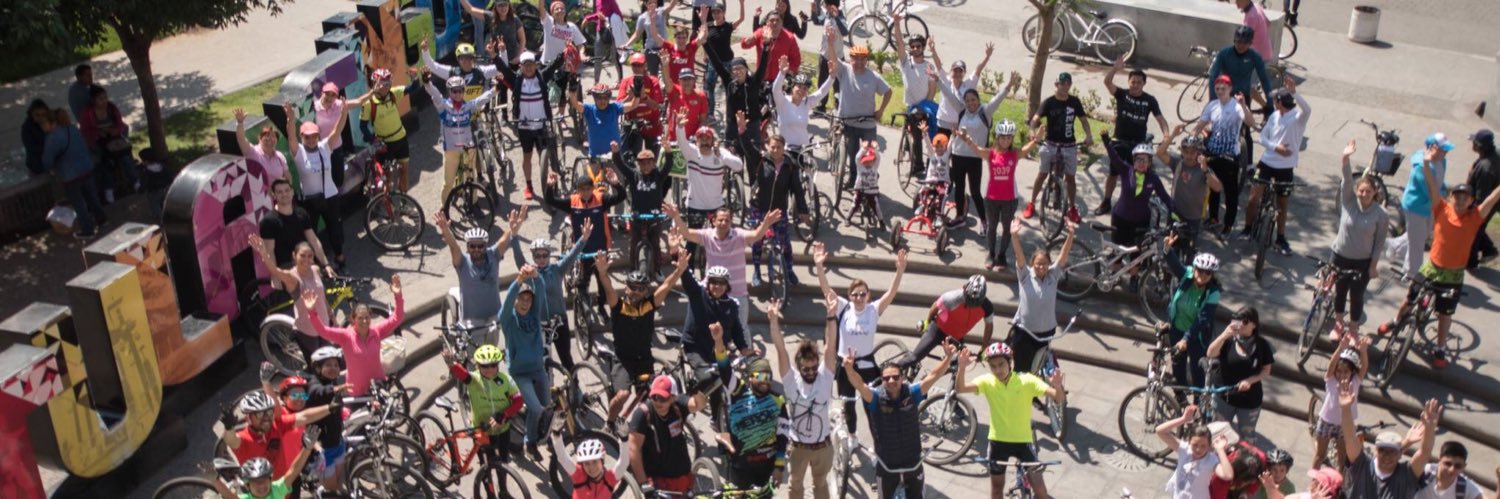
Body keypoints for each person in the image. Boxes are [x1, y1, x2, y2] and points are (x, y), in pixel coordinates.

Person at [1382, 148, 1500, 368]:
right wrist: (1426, 164)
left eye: (1466, 198)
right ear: (1452, 197)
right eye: (1458, 196)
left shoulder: (1475, 218)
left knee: (1445, 313)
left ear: (1472, 201)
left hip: (1453, 274)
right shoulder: (1442, 209)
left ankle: (1440, 347)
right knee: (1410, 297)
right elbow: (1432, 186)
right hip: (1433, 267)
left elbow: (1493, 199)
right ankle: (1396, 321)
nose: (1461, 200)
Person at [814, 241, 906, 433]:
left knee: (872, 405)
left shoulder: (873, 310)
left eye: (862, 294)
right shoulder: (843, 307)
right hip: (845, 365)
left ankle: (879, 441)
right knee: (848, 406)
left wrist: (900, 271)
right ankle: (852, 436)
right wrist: (819, 266)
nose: (859, 297)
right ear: (849, 295)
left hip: (866, 367)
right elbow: (826, 290)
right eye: (855, 294)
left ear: (868, 295)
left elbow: (891, 293)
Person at [844, 343, 955, 498]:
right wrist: (849, 369)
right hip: (887, 466)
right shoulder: (875, 397)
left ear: (902, 377)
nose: (891, 380)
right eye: (886, 378)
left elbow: (933, 376)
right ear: (882, 380)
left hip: (914, 463)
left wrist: (948, 357)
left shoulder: (912, 393)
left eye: (895, 377)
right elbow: (859, 385)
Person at [956, 342, 1065, 499]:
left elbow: (1058, 398)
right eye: (993, 366)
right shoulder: (987, 381)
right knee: (996, 489)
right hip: (997, 442)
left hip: (1024, 442)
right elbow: (961, 389)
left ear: (1010, 362)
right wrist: (962, 368)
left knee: (1041, 491)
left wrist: (1058, 386)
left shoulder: (1027, 381)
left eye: (1001, 364)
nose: (998, 370)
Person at [598, 249, 692, 422]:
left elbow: (666, 286)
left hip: (644, 359)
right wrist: (603, 273)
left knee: (653, 397)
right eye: (633, 287)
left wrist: (679, 270)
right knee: (623, 395)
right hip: (623, 360)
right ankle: (610, 423)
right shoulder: (618, 307)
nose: (636, 292)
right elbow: (609, 290)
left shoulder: (648, 305)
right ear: (626, 287)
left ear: (645, 291)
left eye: (641, 289)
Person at [670, 204, 782, 332]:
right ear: (713, 221)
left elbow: (756, 235)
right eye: (720, 220)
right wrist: (676, 216)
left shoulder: (739, 235)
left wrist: (766, 223)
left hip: (736, 294)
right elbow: (687, 233)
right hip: (711, 292)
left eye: (727, 220)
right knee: (705, 328)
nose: (723, 223)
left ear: (731, 222)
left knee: (741, 330)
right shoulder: (707, 235)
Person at [768, 296, 837, 499]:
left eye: (814, 367)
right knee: (795, 486)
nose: (810, 371)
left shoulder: (824, 378)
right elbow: (781, 349)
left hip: (823, 447)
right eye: (806, 368)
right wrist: (773, 321)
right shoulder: (791, 380)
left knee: (821, 485)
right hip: (798, 447)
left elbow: (830, 346)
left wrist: (831, 316)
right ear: (799, 366)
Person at [297, 275, 403, 397]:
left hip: (379, 385)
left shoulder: (376, 331)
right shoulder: (346, 336)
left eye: (367, 317)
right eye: (360, 318)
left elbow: (397, 318)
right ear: (353, 319)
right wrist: (312, 311)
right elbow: (322, 330)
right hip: (357, 391)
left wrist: (398, 296)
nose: (364, 321)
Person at [1238, 77, 1310, 255]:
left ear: (1280, 101)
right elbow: (1263, 138)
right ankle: (1247, 228)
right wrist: (1275, 147)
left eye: (1275, 99)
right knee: (1254, 197)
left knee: (1282, 204)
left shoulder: (1298, 118)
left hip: (1286, 168)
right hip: (1267, 162)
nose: (1273, 102)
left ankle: (1281, 237)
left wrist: (1294, 92)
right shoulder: (1274, 117)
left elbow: (1307, 109)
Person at [939, 64, 1017, 227]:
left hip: (975, 157)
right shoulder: (961, 110)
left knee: (975, 192)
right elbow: (947, 93)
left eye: (973, 100)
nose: (970, 103)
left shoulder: (985, 112)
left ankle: (984, 221)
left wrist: (1008, 86)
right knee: (959, 189)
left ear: (978, 100)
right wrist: (937, 79)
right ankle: (960, 217)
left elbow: (998, 99)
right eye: (967, 101)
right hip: (958, 155)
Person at [955, 120, 1039, 270]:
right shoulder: (991, 153)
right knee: (992, 227)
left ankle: (1001, 256)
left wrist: (1036, 139)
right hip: (991, 198)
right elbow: (977, 149)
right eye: (1003, 137)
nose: (1006, 141)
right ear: (997, 138)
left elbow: (1026, 150)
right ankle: (991, 253)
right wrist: (966, 139)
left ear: (1012, 139)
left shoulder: (1014, 154)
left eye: (1009, 138)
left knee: (1007, 229)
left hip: (1010, 199)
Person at [1336, 380, 1440, 498]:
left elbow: (1425, 452)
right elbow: (1350, 438)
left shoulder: (1406, 476)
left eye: (1392, 452)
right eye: (1382, 451)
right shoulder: (1362, 465)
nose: (1387, 456)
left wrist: (1430, 431)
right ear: (1375, 451)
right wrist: (1345, 409)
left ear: (1400, 453)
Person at [544, 171, 627, 315]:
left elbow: (621, 196)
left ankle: (601, 307)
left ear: (593, 188)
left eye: (589, 188)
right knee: (583, 282)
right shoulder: (572, 201)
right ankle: (584, 306)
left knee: (602, 283)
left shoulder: (602, 199)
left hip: (600, 249)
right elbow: (551, 201)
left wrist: (616, 184)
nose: (586, 192)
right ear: (577, 190)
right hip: (581, 251)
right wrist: (550, 186)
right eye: (582, 189)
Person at [1097, 58, 1170, 216]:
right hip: (1119, 143)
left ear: (1143, 84)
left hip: (1138, 146)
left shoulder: (1149, 100)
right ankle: (1106, 201)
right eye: (1133, 81)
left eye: (1138, 82)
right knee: (1113, 174)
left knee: (1139, 176)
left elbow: (1161, 119)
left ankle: (1135, 204)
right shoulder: (1122, 94)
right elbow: (1107, 82)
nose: (1135, 84)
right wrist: (1115, 69)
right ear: (1128, 82)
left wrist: (1166, 135)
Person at [1329, 140, 1388, 339]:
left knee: (1356, 296)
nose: (1363, 194)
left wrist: (1373, 266)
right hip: (1340, 255)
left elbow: (1379, 242)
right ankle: (1338, 324)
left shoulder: (1381, 214)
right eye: (1361, 190)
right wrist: (1345, 158)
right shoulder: (1349, 202)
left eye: (1368, 192)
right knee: (1339, 292)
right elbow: (1346, 179)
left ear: (1375, 193)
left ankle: (1353, 329)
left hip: (1361, 262)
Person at [512, 224, 589, 373]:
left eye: (544, 255)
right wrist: (514, 236)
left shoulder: (557, 269)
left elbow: (572, 255)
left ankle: (576, 390)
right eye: (537, 256)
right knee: (541, 363)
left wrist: (583, 238)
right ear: (533, 257)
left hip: (559, 322)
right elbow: (518, 259)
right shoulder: (529, 273)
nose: (541, 259)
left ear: (549, 255)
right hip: (539, 325)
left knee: (566, 358)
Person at [821, 29, 892, 190]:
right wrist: (831, 43)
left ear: (866, 60)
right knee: (853, 156)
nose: (859, 62)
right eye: (856, 59)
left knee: (870, 156)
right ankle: (852, 180)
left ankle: (870, 181)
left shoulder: (873, 77)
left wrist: (880, 111)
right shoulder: (845, 71)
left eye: (862, 59)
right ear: (851, 58)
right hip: (848, 122)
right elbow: (833, 59)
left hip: (867, 123)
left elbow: (888, 92)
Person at [249, 234, 334, 368]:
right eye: (302, 255)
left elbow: (321, 296)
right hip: (308, 330)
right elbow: (275, 271)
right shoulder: (292, 278)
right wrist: (263, 253)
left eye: (310, 256)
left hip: (324, 325)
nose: (306, 259)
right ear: (294, 256)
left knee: (329, 360)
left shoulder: (316, 270)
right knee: (317, 366)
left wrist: (331, 314)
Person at [286, 99, 351, 270]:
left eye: (314, 135)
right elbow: (291, 136)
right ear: (303, 137)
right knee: (310, 234)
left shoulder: (324, 147)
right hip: (309, 201)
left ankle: (340, 258)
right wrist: (290, 119)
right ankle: (313, 266)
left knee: (334, 229)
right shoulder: (298, 152)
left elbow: (337, 130)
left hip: (330, 197)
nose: (312, 139)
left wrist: (343, 112)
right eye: (307, 136)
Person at [495, 47, 567, 201]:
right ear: (520, 67)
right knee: (527, 156)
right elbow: (505, 69)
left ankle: (549, 182)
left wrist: (564, 52)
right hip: (524, 127)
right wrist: (495, 55)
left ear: (535, 65)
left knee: (544, 155)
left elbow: (554, 64)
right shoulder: (517, 80)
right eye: (525, 65)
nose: (528, 68)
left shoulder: (541, 77)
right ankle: (529, 186)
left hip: (541, 125)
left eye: (531, 64)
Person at [1005, 220, 1076, 373]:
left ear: (1049, 264)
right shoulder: (1025, 275)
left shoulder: (1053, 276)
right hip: (1026, 332)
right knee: (1022, 369)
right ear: (1032, 264)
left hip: (1046, 333)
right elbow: (1019, 256)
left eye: (1044, 264)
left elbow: (1063, 256)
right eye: (1037, 264)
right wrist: (1014, 236)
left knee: (1041, 367)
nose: (1041, 267)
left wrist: (1070, 235)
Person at [1024, 72, 1094, 224]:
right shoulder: (1049, 102)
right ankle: (1032, 203)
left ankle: (1072, 208)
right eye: (1062, 83)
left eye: (1068, 83)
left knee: (1070, 178)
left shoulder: (1075, 102)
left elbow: (1083, 120)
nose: (1065, 86)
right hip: (1050, 144)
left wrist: (1089, 135)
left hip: (1069, 146)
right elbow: (1035, 118)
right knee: (1042, 174)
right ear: (1056, 85)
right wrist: (1032, 131)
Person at [499, 264, 552, 461]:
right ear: (515, 301)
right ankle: (529, 442)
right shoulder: (508, 320)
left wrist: (536, 276)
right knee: (536, 409)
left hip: (537, 369)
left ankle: (536, 434)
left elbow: (541, 289)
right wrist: (519, 281)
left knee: (546, 406)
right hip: (520, 372)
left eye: (528, 300)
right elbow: (506, 305)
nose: (525, 303)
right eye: (521, 299)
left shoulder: (534, 313)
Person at [436, 209, 522, 328]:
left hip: (494, 316)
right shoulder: (463, 262)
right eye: (472, 246)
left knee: (493, 347)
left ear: (485, 246)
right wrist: (445, 230)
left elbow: (503, 240)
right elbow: (454, 247)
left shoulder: (493, 255)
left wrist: (512, 229)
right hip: (471, 321)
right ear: (467, 247)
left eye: (480, 246)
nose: (476, 249)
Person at [1162, 233, 1223, 399]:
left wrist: (1186, 339)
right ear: (1195, 268)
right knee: (1178, 365)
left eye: (1207, 273)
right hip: (1177, 330)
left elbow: (1202, 319)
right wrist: (1168, 249)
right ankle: (1179, 396)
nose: (1202, 275)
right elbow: (1175, 266)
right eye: (1200, 270)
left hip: (1196, 337)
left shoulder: (1213, 293)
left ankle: (1197, 403)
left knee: (1197, 371)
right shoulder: (1187, 275)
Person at [419, 70, 496, 202]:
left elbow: (482, 99)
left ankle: (474, 203)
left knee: (472, 179)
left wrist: (495, 89)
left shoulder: (468, 106)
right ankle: (445, 210)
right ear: (449, 92)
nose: (458, 94)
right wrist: (427, 83)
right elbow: (436, 95)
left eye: (460, 90)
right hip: (451, 150)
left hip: (468, 148)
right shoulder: (443, 106)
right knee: (448, 183)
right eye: (454, 91)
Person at [628, 375, 710, 496]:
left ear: (673, 397)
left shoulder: (678, 405)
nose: (658, 402)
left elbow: (700, 404)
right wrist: (643, 483)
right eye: (654, 397)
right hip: (659, 479)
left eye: (662, 398)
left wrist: (696, 392)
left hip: (682, 472)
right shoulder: (642, 414)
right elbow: (633, 449)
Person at [673, 118, 745, 255]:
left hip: (716, 206)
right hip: (696, 206)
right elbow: (682, 142)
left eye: (708, 139)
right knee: (692, 244)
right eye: (701, 139)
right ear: (697, 141)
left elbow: (739, 166)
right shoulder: (692, 153)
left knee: (720, 242)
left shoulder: (721, 154)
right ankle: (688, 273)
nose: (705, 142)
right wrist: (680, 127)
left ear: (712, 142)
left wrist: (721, 156)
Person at [894, 275, 995, 371]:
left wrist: (984, 348)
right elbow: (935, 306)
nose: (971, 305)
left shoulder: (987, 307)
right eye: (968, 300)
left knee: (958, 364)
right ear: (965, 290)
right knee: (914, 358)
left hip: (956, 337)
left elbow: (989, 327)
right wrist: (927, 322)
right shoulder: (953, 297)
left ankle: (929, 379)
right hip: (937, 330)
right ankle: (886, 374)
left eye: (976, 303)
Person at [1194, 76, 1255, 235]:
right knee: (1213, 187)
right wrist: (1194, 137)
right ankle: (1213, 217)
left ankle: (1228, 223)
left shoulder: (1236, 106)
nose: (1220, 91)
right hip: (1211, 153)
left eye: (1223, 88)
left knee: (1230, 192)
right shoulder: (1212, 105)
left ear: (1230, 89)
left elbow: (1250, 122)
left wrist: (1244, 105)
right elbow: (1201, 124)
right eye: (1217, 89)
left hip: (1229, 156)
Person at [719, 354, 790, 491]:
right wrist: (718, 342)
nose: (765, 381)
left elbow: (783, 435)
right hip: (741, 465)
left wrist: (779, 466)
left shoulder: (778, 400)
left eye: (769, 377)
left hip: (766, 466)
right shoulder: (738, 393)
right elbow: (725, 370)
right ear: (750, 377)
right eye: (761, 376)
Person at [445, 344, 524, 465]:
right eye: (484, 366)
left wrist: (504, 414)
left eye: (493, 365)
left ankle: (502, 484)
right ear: (478, 365)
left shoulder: (507, 380)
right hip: (481, 430)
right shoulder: (474, 379)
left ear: (498, 364)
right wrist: (452, 364)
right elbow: (463, 374)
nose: (489, 369)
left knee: (503, 462)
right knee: (485, 464)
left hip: (502, 429)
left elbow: (519, 402)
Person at [221, 391, 327, 478]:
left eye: (269, 412)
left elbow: (304, 416)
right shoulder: (244, 439)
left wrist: (330, 407)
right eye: (260, 414)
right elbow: (231, 440)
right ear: (248, 418)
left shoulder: (276, 426)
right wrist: (228, 427)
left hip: (286, 486)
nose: (266, 417)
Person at [750, 134, 810, 286]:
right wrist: (743, 130)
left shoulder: (790, 166)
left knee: (785, 242)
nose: (775, 150)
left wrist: (803, 211)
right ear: (767, 147)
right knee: (757, 241)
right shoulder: (761, 161)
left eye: (779, 147)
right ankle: (756, 270)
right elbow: (747, 148)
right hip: (760, 208)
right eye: (772, 147)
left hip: (779, 210)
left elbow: (797, 189)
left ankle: (789, 269)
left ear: (784, 148)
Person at [1208, 25, 1273, 163]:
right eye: (1237, 42)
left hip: (1243, 97)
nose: (1240, 46)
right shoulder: (1224, 53)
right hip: (1225, 96)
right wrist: (1213, 101)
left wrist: (1270, 102)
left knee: (1246, 132)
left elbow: (1264, 80)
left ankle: (1248, 165)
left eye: (1244, 43)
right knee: (1217, 127)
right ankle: (1211, 154)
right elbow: (1213, 77)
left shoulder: (1254, 56)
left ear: (1250, 43)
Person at [1205, 307, 1274, 438]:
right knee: (1218, 435)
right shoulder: (1229, 340)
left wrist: (1250, 381)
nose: (1240, 324)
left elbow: (1266, 371)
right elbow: (1210, 353)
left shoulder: (1262, 345)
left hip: (1249, 402)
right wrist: (1225, 334)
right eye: (1238, 320)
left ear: (1254, 325)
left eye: (1245, 321)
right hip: (1224, 397)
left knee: (1247, 438)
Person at [605, 142, 673, 272]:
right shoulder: (634, 175)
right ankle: (632, 269)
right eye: (642, 163)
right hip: (637, 217)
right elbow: (621, 166)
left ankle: (657, 270)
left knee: (656, 245)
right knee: (634, 244)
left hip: (655, 217)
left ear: (654, 163)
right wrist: (615, 152)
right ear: (638, 164)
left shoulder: (658, 175)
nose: (646, 166)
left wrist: (669, 151)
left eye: (649, 162)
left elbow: (668, 166)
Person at [1101, 138, 1174, 256]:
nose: (1141, 163)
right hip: (1121, 219)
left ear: (1149, 163)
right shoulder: (1126, 170)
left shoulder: (1153, 178)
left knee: (1137, 258)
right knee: (1118, 254)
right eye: (1138, 160)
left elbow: (1165, 197)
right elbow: (1114, 158)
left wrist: (1174, 211)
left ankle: (1134, 275)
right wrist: (1107, 144)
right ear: (1134, 160)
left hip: (1140, 223)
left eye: (1145, 160)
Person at [706, 45, 772, 174]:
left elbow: (763, 66)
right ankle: (734, 186)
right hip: (732, 127)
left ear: (746, 69)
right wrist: (705, 43)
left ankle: (754, 188)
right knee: (734, 163)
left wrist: (766, 46)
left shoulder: (754, 82)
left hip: (751, 126)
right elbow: (717, 63)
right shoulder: (729, 82)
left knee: (753, 162)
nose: (737, 71)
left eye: (740, 68)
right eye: (734, 69)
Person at [42, 109, 107, 239]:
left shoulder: (53, 137)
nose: (42, 127)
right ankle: (102, 219)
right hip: (87, 169)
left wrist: (50, 168)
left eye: (44, 123)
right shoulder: (73, 129)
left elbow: (47, 160)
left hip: (71, 175)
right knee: (92, 196)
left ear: (51, 123)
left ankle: (87, 230)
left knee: (79, 204)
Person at [1159, 125, 1223, 257]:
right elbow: (1159, 153)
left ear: (1199, 153)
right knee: (1169, 252)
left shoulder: (1203, 169)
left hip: (1193, 219)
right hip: (1175, 214)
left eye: (1193, 152)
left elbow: (1217, 187)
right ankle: (1166, 277)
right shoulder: (1177, 163)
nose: (1189, 155)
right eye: (1186, 151)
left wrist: (1205, 169)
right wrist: (1172, 136)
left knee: (1188, 254)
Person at [1310, 334, 1370, 471]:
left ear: (1353, 372)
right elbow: (1332, 363)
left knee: (1342, 459)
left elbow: (1364, 366)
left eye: (1346, 372)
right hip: (1327, 421)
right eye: (1339, 371)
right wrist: (1341, 347)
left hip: (1345, 425)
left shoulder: (1355, 381)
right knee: (1320, 455)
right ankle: (1313, 482)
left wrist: (1364, 351)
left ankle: (1338, 486)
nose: (1342, 375)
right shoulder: (1331, 379)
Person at [1400, 133, 1455, 277]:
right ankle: (1412, 273)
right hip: (1416, 207)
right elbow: (1428, 191)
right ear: (1431, 147)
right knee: (1417, 243)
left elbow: (1440, 182)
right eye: (1443, 149)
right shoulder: (1420, 166)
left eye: (1446, 149)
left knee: (1420, 236)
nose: (1446, 152)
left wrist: (1443, 191)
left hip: (1431, 206)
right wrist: (1443, 198)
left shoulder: (1442, 161)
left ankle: (1394, 249)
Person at [355, 68, 417, 192]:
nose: (385, 87)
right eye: (381, 84)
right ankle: (389, 208)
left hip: (401, 139)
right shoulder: (368, 104)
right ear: (374, 84)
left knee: (403, 172)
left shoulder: (393, 94)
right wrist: (373, 139)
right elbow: (362, 126)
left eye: (388, 84)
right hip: (385, 145)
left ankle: (403, 202)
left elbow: (412, 88)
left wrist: (415, 78)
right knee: (387, 178)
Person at [301, 347, 353, 494]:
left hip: (337, 441)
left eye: (336, 365)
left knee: (338, 482)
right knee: (331, 490)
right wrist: (336, 389)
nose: (333, 368)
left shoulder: (331, 380)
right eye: (328, 365)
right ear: (317, 368)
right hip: (324, 450)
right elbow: (317, 392)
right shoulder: (314, 384)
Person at [214, 429, 319, 499]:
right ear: (247, 485)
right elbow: (229, 496)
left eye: (264, 480)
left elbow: (293, 471)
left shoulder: (276, 489)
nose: (261, 485)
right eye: (256, 482)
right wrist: (214, 480)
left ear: (270, 480)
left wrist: (307, 448)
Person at [891, 15, 937, 176]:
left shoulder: (928, 66)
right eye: (913, 46)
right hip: (911, 108)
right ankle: (918, 165)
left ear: (923, 47)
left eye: (919, 46)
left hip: (925, 106)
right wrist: (896, 23)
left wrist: (924, 107)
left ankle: (934, 162)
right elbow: (899, 43)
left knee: (932, 135)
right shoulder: (906, 63)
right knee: (917, 137)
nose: (916, 49)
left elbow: (932, 89)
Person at [256, 179, 333, 273]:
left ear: (292, 192)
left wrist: (326, 265)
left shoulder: (301, 213)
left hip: (306, 262)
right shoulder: (268, 221)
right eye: (279, 192)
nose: (284, 194)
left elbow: (313, 240)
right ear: (273, 195)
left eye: (287, 190)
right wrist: (276, 277)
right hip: (287, 269)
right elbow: (270, 253)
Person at [79, 85, 138, 202]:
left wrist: (117, 130)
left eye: (105, 98)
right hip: (98, 141)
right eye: (100, 99)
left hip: (115, 139)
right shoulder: (88, 113)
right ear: (93, 100)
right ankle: (109, 189)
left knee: (126, 156)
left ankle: (136, 181)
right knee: (106, 161)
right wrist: (98, 133)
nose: (104, 101)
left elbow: (120, 124)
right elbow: (85, 131)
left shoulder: (111, 108)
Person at [929, 37, 993, 138]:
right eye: (955, 71)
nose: (957, 74)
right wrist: (933, 50)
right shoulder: (945, 80)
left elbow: (978, 70)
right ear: (950, 71)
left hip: (959, 125)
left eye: (960, 71)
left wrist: (987, 57)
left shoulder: (968, 85)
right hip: (943, 123)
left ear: (964, 73)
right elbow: (938, 65)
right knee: (941, 151)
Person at [771, 58, 834, 154]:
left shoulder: (807, 102)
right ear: (792, 87)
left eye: (804, 88)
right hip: (786, 150)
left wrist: (832, 77)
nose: (801, 90)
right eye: (799, 86)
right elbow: (775, 90)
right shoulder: (782, 102)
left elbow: (821, 92)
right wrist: (782, 73)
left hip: (804, 150)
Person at [536, 0, 587, 118]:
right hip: (547, 63)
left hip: (565, 65)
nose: (559, 10)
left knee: (562, 91)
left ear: (565, 11)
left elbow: (581, 44)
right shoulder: (548, 22)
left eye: (561, 8)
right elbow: (541, 8)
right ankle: (544, 115)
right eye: (556, 9)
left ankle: (561, 116)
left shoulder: (572, 27)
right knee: (544, 90)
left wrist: (582, 54)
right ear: (552, 13)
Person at [1156, 405, 1219, 498]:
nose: (1198, 449)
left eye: (1203, 446)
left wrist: (1220, 450)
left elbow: (1227, 475)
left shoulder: (1211, 459)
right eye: (1195, 445)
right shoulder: (1184, 449)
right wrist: (1183, 419)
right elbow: (1160, 431)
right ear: (1188, 442)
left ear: (1209, 445)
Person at [552, 431, 633, 499]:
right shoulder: (579, 474)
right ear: (582, 464)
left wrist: (624, 440)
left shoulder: (610, 478)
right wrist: (556, 436)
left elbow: (624, 462)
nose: (591, 467)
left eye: (594, 461)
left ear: (602, 461)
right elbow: (563, 458)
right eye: (587, 463)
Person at [700, 1, 747, 110]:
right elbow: (705, 40)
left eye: (718, 12)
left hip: (727, 62)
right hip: (713, 63)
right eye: (714, 12)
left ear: (723, 13)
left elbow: (742, 18)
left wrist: (741, 3)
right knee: (709, 86)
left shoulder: (728, 26)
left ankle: (732, 110)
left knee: (730, 86)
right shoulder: (708, 26)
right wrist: (705, 54)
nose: (716, 14)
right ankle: (710, 112)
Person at [616, 54, 665, 155]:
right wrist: (629, 97)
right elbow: (618, 107)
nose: (637, 68)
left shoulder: (653, 81)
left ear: (645, 66)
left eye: (640, 65)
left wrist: (644, 96)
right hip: (633, 124)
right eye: (634, 65)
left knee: (652, 159)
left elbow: (656, 106)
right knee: (630, 159)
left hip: (652, 124)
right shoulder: (626, 82)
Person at [1466, 129, 1500, 267]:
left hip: (1485, 205)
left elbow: (1481, 197)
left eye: (1474, 142)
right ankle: (1488, 250)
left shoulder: (1486, 168)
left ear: (1479, 145)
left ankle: (1471, 262)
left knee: (1473, 231)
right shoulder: (1493, 154)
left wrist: (1471, 210)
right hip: (1493, 202)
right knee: (1478, 229)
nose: (1471, 144)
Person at [740, 8, 800, 84]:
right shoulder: (761, 32)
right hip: (761, 77)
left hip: (779, 79)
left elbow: (796, 60)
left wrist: (787, 70)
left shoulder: (789, 38)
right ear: (767, 22)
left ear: (782, 22)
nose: (775, 22)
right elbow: (744, 45)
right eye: (772, 20)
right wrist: (747, 41)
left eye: (777, 20)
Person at [233, 108, 291, 184]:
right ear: (260, 138)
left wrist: (287, 192)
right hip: (258, 194)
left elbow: (288, 177)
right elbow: (241, 139)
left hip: (277, 194)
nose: (270, 139)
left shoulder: (280, 156)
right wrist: (240, 123)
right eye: (267, 136)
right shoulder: (252, 152)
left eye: (274, 136)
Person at [462, 0, 527, 67]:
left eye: (505, 5)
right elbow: (470, 10)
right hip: (497, 60)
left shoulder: (515, 19)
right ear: (496, 7)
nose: (503, 8)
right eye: (500, 5)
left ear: (509, 6)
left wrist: (519, 57)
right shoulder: (491, 17)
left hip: (513, 60)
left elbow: (522, 40)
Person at [309, 82, 350, 187]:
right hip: (321, 150)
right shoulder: (314, 107)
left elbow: (358, 102)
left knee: (338, 180)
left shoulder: (339, 104)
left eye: (333, 95)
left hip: (336, 149)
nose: (330, 97)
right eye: (327, 93)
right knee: (325, 180)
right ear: (322, 93)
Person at [575, 84, 630, 159]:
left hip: (614, 154)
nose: (602, 101)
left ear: (609, 98)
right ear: (594, 98)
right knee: (592, 170)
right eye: (599, 98)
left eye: (605, 98)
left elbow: (633, 105)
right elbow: (576, 105)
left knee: (619, 169)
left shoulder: (615, 108)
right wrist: (572, 93)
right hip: (595, 155)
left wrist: (637, 95)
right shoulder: (589, 109)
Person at [1417, 441, 1486, 499]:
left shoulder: (1465, 487)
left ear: (1464, 467)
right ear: (1439, 459)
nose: (1452, 469)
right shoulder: (1426, 472)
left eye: (1458, 466)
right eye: (1448, 464)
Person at [664, 67, 710, 148]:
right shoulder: (675, 92)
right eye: (684, 79)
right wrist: (665, 65)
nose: (687, 82)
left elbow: (703, 120)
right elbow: (667, 81)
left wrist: (697, 136)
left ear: (694, 80)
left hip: (692, 140)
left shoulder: (700, 96)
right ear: (679, 81)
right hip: (674, 139)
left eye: (689, 79)